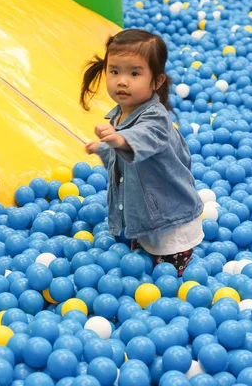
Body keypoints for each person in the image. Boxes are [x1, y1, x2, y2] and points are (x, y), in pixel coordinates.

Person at [81, 29, 204, 276]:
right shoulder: (119, 113)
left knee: (167, 279)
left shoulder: (156, 118)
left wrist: (120, 138)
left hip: (171, 222)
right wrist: (105, 149)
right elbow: (122, 160)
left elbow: (144, 137)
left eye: (134, 73)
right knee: (141, 266)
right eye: (114, 71)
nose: (122, 81)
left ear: (157, 81)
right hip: (145, 218)